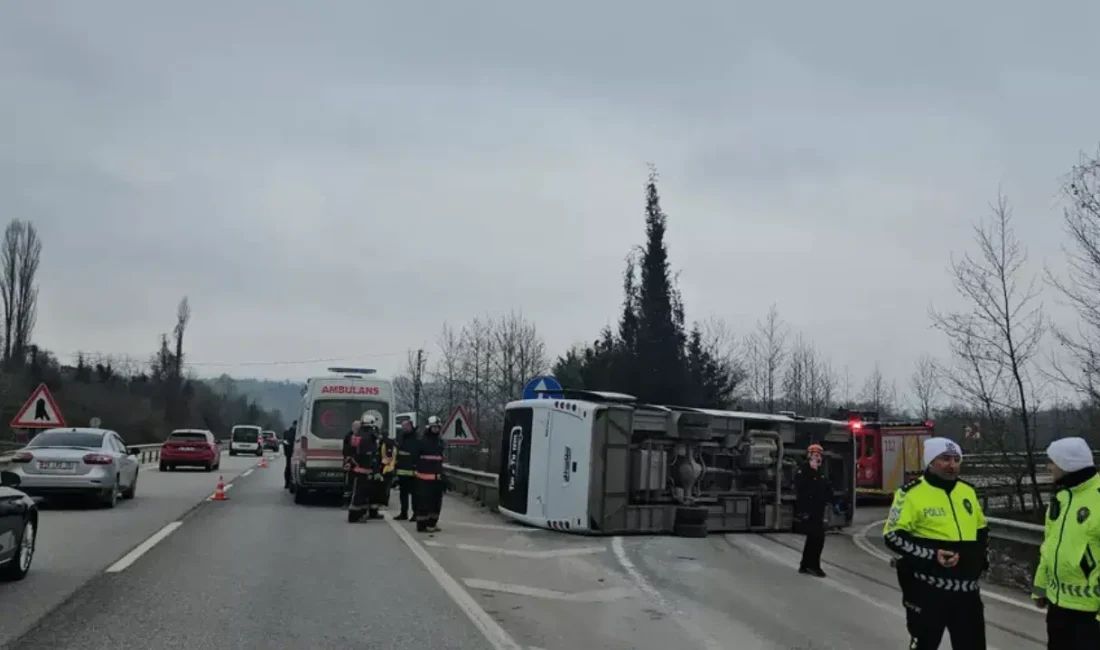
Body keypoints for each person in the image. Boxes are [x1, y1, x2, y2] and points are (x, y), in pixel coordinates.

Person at [883, 437, 989, 650]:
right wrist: (933, 555)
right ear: (931, 462)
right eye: (945, 459)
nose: (952, 464)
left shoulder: (967, 491)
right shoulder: (910, 493)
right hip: (927, 590)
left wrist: (980, 561)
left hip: (967, 591)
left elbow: (981, 532)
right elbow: (892, 536)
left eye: (956, 459)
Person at [1032, 437, 1100, 649]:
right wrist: (1040, 588)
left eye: (1052, 461)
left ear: (1067, 464)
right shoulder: (1060, 499)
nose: (1048, 466)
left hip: (1091, 612)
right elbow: (1049, 547)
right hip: (1058, 606)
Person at [795, 443, 833, 577]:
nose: (817, 458)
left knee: (814, 538)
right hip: (809, 510)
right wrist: (812, 471)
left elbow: (826, 487)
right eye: (815, 455)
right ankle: (813, 566)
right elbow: (803, 489)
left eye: (819, 455)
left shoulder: (820, 472)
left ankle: (805, 565)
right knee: (817, 538)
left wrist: (834, 502)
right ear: (809, 456)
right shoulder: (804, 471)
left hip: (819, 509)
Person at [343, 413, 382, 523]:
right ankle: (356, 516)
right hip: (365, 470)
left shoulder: (357, 436)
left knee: (359, 494)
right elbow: (373, 454)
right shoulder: (370, 437)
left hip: (358, 469)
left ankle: (358, 514)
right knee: (361, 495)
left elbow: (351, 452)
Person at [414, 415, 447, 532]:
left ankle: (432, 523)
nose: (436, 429)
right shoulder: (422, 441)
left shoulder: (440, 442)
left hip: (437, 478)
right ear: (429, 428)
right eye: (434, 427)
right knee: (424, 503)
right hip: (424, 479)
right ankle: (422, 525)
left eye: (438, 427)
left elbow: (441, 460)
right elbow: (415, 458)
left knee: (436, 503)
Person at [393, 420, 419, 520]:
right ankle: (403, 513)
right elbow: (397, 450)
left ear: (410, 426)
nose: (404, 428)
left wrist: (416, 467)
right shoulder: (401, 436)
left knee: (414, 494)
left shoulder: (416, 437)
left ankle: (415, 513)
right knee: (403, 493)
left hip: (412, 470)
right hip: (401, 469)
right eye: (403, 426)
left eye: (405, 426)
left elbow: (416, 452)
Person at [282, 420, 297, 490]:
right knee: (289, 468)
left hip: (292, 453)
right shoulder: (289, 433)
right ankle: (288, 483)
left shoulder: (288, 432)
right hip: (291, 453)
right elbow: (285, 442)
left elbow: (285, 442)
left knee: (289, 468)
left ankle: (289, 483)